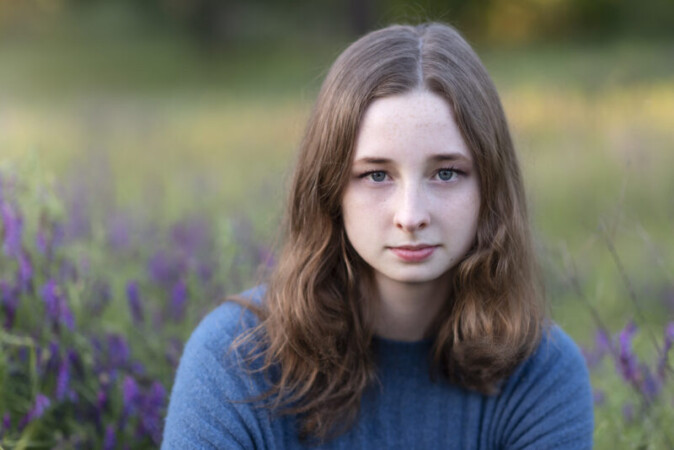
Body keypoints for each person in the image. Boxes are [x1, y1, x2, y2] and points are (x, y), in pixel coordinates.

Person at [162, 22, 594, 449]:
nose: (411, 216)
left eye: (446, 173)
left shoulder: (541, 374)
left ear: (490, 187)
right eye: (375, 175)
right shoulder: (236, 359)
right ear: (329, 189)